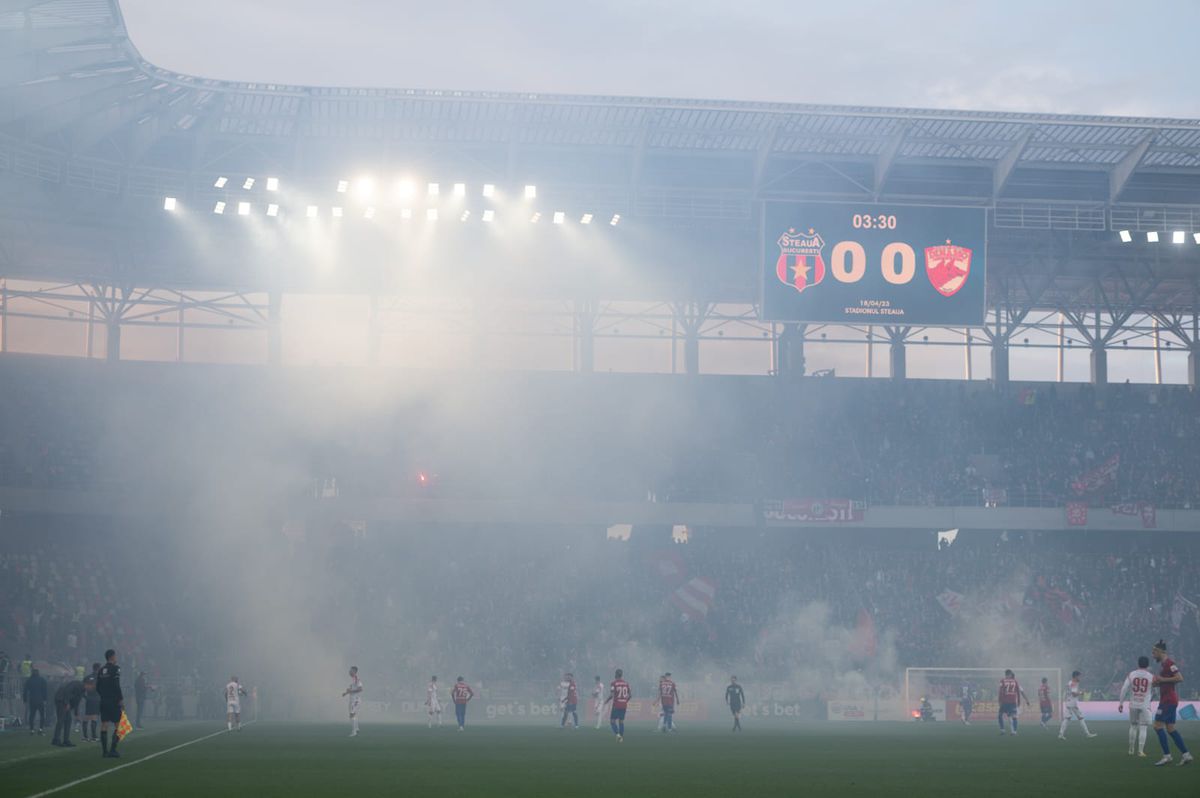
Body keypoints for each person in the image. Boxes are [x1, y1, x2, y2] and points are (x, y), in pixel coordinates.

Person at [1151, 640, 1193, 767]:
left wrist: (1162, 679)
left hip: (1168, 700)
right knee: (1170, 728)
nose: (1153, 655)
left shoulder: (1170, 663)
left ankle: (1167, 756)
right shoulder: (1164, 665)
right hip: (1169, 699)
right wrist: (1158, 683)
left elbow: (1180, 678)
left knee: (1157, 726)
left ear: (1160, 651)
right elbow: (1168, 682)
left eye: (1154, 652)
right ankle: (1186, 754)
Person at [1118, 655, 1155, 757]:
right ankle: (1140, 751)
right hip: (1145, 705)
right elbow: (1156, 689)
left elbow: (1124, 688)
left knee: (1133, 726)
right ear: (1148, 665)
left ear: (1138, 663)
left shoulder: (1132, 674)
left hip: (1133, 704)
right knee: (1143, 727)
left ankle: (1131, 749)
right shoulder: (1151, 676)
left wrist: (1121, 703)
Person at [96, 648, 124, 758]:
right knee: (118, 725)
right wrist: (120, 698)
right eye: (115, 656)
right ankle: (112, 750)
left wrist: (103, 695)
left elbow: (98, 687)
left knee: (104, 724)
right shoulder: (116, 668)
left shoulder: (101, 670)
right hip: (113, 701)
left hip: (103, 701)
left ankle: (104, 752)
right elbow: (116, 685)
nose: (116, 658)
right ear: (112, 656)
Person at [1057, 670, 1097, 739]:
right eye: (1079, 676)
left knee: (1068, 718)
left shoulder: (1070, 682)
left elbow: (1069, 692)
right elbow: (1074, 694)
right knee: (1079, 717)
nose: (1080, 677)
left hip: (1069, 702)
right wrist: (1081, 693)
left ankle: (1061, 734)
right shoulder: (1073, 683)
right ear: (1075, 676)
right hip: (1072, 703)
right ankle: (1087, 734)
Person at [51, 678, 86, 747]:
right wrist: (66, 702)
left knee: (68, 720)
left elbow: (77, 702)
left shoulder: (83, 690)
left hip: (65, 701)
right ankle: (56, 740)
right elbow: (67, 690)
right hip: (61, 699)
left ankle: (66, 740)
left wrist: (76, 714)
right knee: (61, 720)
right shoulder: (76, 683)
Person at [997, 669, 1028, 736]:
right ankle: (1014, 731)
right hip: (1013, 702)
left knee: (1000, 715)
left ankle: (1002, 730)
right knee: (1014, 717)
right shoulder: (1015, 681)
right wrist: (1019, 701)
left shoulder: (1002, 680)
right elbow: (1019, 692)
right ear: (1010, 674)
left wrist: (999, 700)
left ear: (1005, 674)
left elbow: (1000, 691)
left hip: (1005, 701)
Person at [604, 668, 631, 742]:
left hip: (616, 705)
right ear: (621, 675)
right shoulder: (626, 683)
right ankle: (621, 738)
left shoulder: (614, 683)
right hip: (624, 705)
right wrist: (625, 701)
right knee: (621, 721)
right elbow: (630, 695)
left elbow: (612, 695)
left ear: (615, 674)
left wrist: (606, 701)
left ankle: (618, 735)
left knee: (612, 721)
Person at [22, 667, 48, 735]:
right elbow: (45, 690)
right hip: (40, 700)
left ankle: (32, 730)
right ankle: (40, 730)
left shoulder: (29, 680)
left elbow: (25, 690)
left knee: (32, 715)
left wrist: (24, 699)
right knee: (42, 715)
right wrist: (45, 699)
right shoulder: (42, 680)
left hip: (32, 700)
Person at [341, 666, 363, 737]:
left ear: (354, 671)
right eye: (350, 670)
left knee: (352, 715)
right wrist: (346, 693)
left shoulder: (357, 679)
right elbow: (351, 689)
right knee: (353, 714)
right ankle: (357, 729)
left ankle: (354, 732)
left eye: (351, 670)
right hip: (352, 699)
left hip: (355, 700)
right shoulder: (352, 680)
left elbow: (360, 689)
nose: (349, 671)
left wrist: (351, 691)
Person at [81, 664, 101, 742]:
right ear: (98, 669)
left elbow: (82, 689)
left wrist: (85, 697)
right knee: (94, 717)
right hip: (96, 699)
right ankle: (94, 737)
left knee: (86, 717)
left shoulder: (87, 677)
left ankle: (85, 737)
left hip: (89, 699)